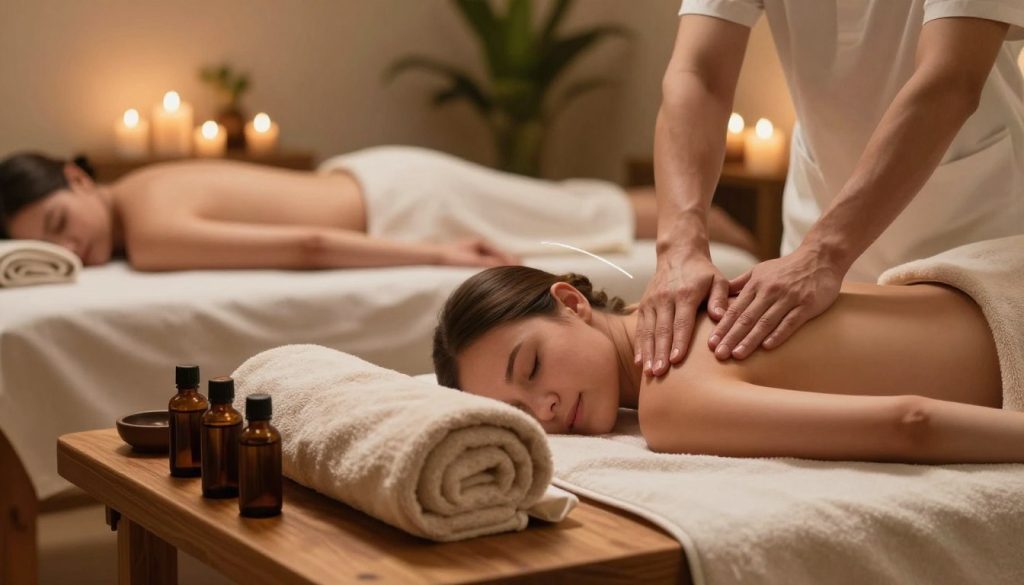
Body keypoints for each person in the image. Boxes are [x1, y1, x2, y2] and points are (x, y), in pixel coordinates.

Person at [638, 1, 1024, 378]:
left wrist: (823, 253)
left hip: (972, 231)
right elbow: (698, 73)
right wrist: (678, 246)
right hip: (814, 228)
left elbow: (950, 79)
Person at [432, 265, 1024, 464]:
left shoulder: (670, 400)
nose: (546, 409)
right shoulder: (698, 290)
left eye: (531, 367)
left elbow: (909, 424)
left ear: (571, 302)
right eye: (519, 413)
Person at [0, 147, 756, 270]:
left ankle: (733, 237)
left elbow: (308, 245)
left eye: (62, 227)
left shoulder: (154, 231)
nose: (73, 251)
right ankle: (727, 228)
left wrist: (437, 255)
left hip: (403, 207)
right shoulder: (139, 190)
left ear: (76, 177)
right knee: (583, 208)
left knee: (592, 216)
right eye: (50, 248)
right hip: (381, 178)